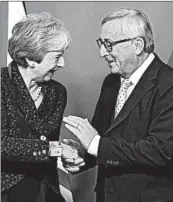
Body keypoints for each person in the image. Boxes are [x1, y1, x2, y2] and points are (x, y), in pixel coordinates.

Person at [63, 8, 173, 202]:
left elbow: (161, 151)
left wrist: (95, 144)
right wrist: (81, 155)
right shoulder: (111, 82)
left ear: (137, 45)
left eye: (108, 44)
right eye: (101, 43)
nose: (101, 52)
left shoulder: (168, 84)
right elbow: (101, 139)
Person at [1, 12, 84, 202]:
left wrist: (70, 154)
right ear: (31, 59)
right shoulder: (2, 85)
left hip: (46, 189)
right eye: (56, 57)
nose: (62, 64)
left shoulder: (57, 92)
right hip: (6, 191)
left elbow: (48, 141)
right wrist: (56, 149)